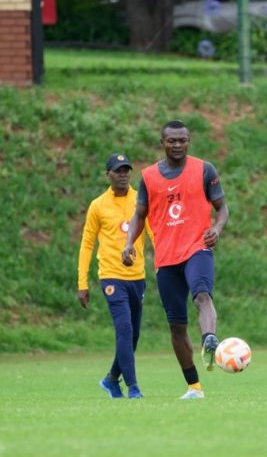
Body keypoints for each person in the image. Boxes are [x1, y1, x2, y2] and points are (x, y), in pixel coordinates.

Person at [122, 120, 229, 400]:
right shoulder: (148, 177)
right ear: (163, 142)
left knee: (202, 296)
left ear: (189, 140)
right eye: (172, 141)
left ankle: (209, 339)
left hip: (197, 248)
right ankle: (194, 387)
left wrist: (216, 229)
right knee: (177, 326)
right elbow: (139, 215)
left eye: (183, 140)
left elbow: (222, 208)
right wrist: (128, 243)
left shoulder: (204, 170)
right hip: (166, 258)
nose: (178, 145)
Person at [77, 152, 153, 399]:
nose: (123, 175)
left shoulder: (140, 201)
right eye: (118, 171)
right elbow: (87, 244)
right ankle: (133, 387)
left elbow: (153, 233)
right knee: (124, 329)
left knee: (134, 335)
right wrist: (82, 283)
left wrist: (165, 263)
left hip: (137, 277)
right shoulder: (98, 205)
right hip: (111, 276)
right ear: (107, 174)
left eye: (126, 170)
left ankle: (111, 380)